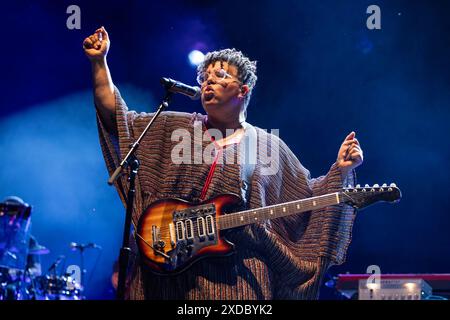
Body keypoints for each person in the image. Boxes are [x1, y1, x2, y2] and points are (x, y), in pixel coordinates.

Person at [83, 26, 363, 300]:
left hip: (235, 281)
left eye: (218, 76)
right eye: (204, 78)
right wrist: (99, 62)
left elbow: (308, 198)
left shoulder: (269, 147)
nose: (208, 83)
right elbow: (118, 118)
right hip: (166, 277)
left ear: (242, 90)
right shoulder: (171, 127)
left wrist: (341, 170)